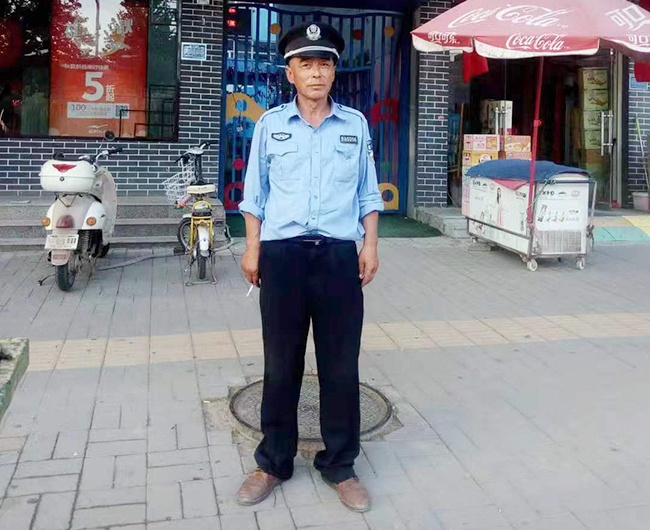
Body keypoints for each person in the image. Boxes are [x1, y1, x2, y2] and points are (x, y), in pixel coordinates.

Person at [237, 22, 384, 513]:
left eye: (324, 64)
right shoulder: (270, 125)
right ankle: (273, 462)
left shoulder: (355, 125)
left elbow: (368, 191)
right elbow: (254, 194)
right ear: (290, 73)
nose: (316, 72)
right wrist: (252, 248)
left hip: (339, 257)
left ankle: (340, 464)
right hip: (283, 257)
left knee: (340, 365)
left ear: (335, 71)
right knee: (281, 364)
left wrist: (370, 245)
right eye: (306, 64)